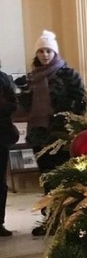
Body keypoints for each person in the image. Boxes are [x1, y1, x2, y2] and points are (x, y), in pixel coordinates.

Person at [15, 30, 87, 236]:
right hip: (39, 134)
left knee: (65, 178)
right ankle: (50, 219)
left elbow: (80, 102)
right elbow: (25, 108)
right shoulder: (31, 78)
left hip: (61, 135)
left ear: (54, 52)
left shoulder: (68, 74)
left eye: (48, 50)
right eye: (41, 51)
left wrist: (64, 117)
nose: (45, 55)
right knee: (47, 179)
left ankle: (69, 219)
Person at [0, 59, 20, 236]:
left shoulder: (4, 79)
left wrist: (3, 105)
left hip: (1, 135)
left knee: (0, 182)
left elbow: (14, 104)